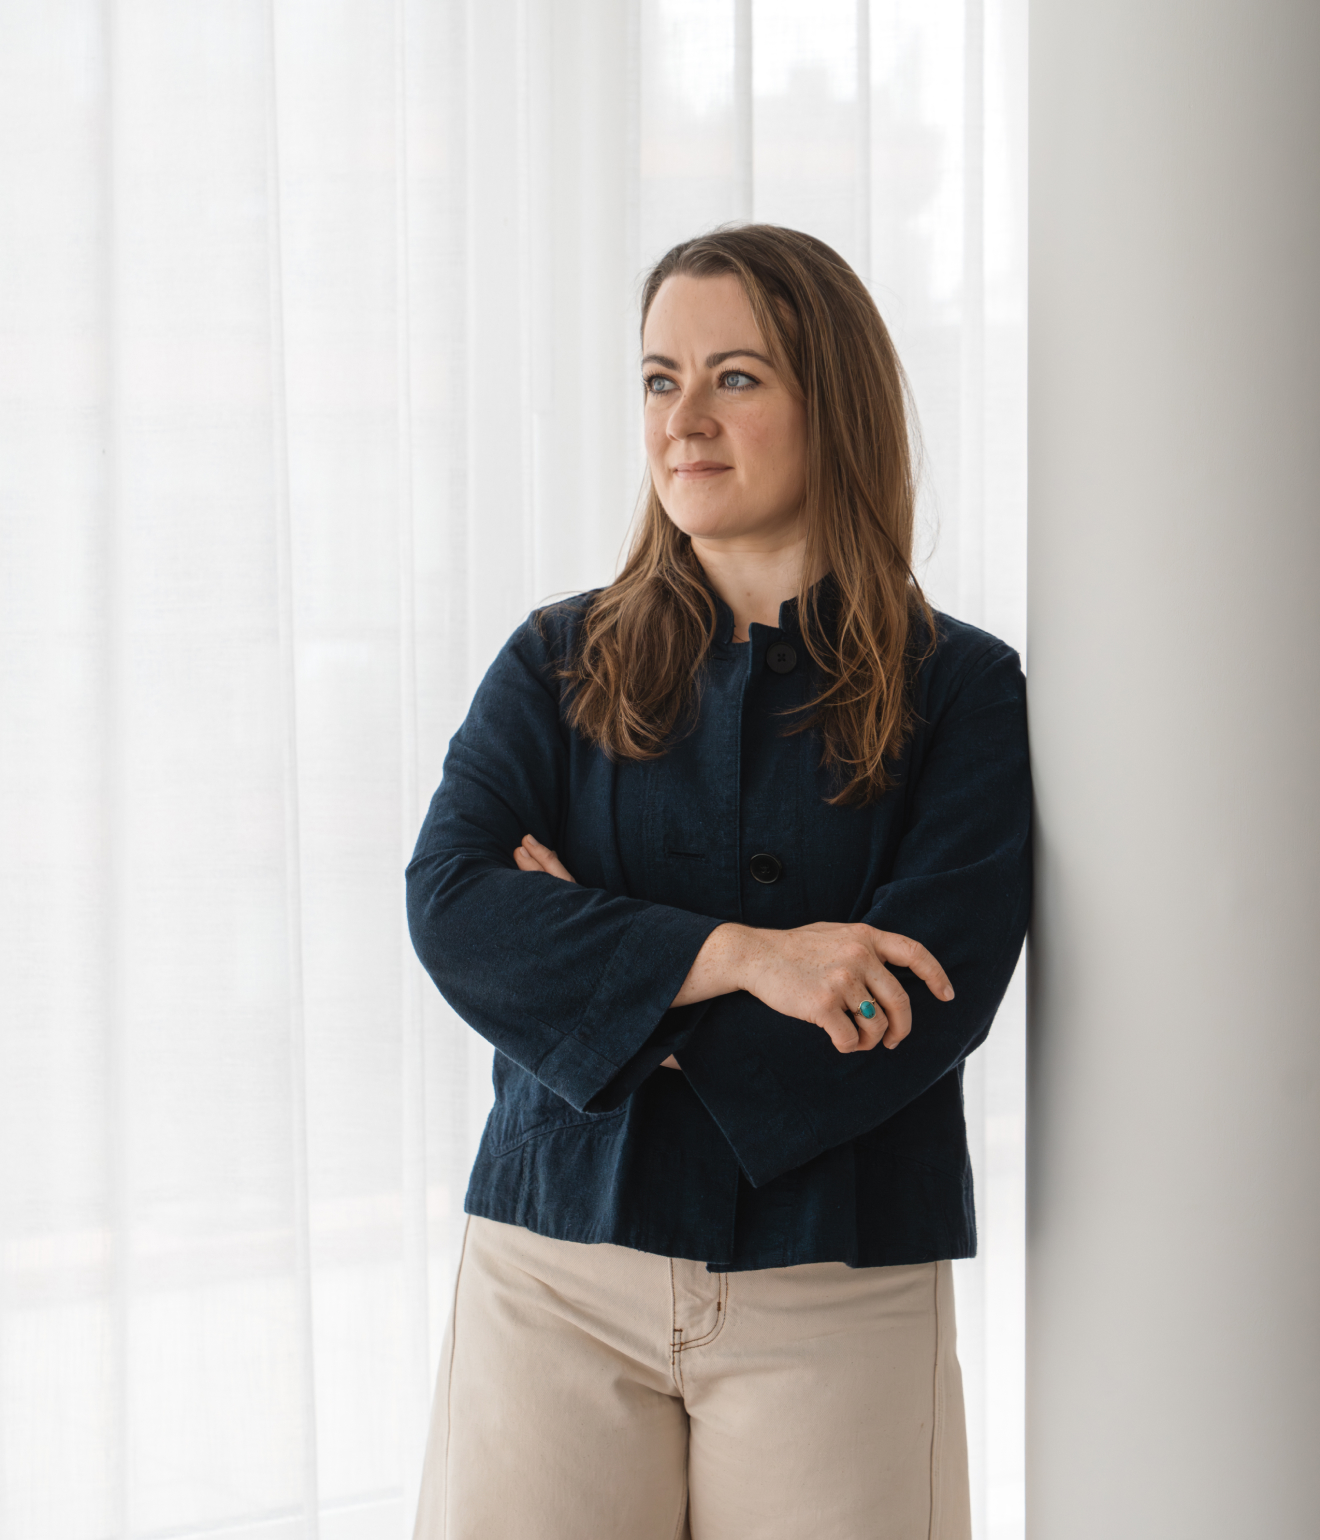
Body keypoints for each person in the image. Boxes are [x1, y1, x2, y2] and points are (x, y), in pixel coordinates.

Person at [406, 224, 1030, 1540]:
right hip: (552, 1268)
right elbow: (457, 908)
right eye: (657, 378)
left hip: (834, 1284)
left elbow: (927, 994)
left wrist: (608, 982)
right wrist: (757, 957)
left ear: (832, 402)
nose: (682, 418)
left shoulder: (964, 692)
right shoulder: (552, 662)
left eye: (735, 377)